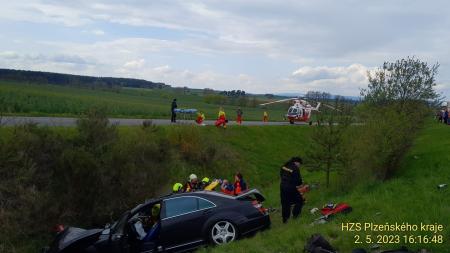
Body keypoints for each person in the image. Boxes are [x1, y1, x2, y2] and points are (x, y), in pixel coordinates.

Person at [280, 157, 304, 223]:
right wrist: (301, 183)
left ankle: (285, 220)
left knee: (285, 204)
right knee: (300, 200)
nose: (299, 166)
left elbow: (281, 175)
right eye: (300, 164)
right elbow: (298, 181)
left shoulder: (284, 166)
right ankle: (295, 216)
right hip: (290, 187)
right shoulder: (295, 168)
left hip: (282, 187)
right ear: (296, 162)